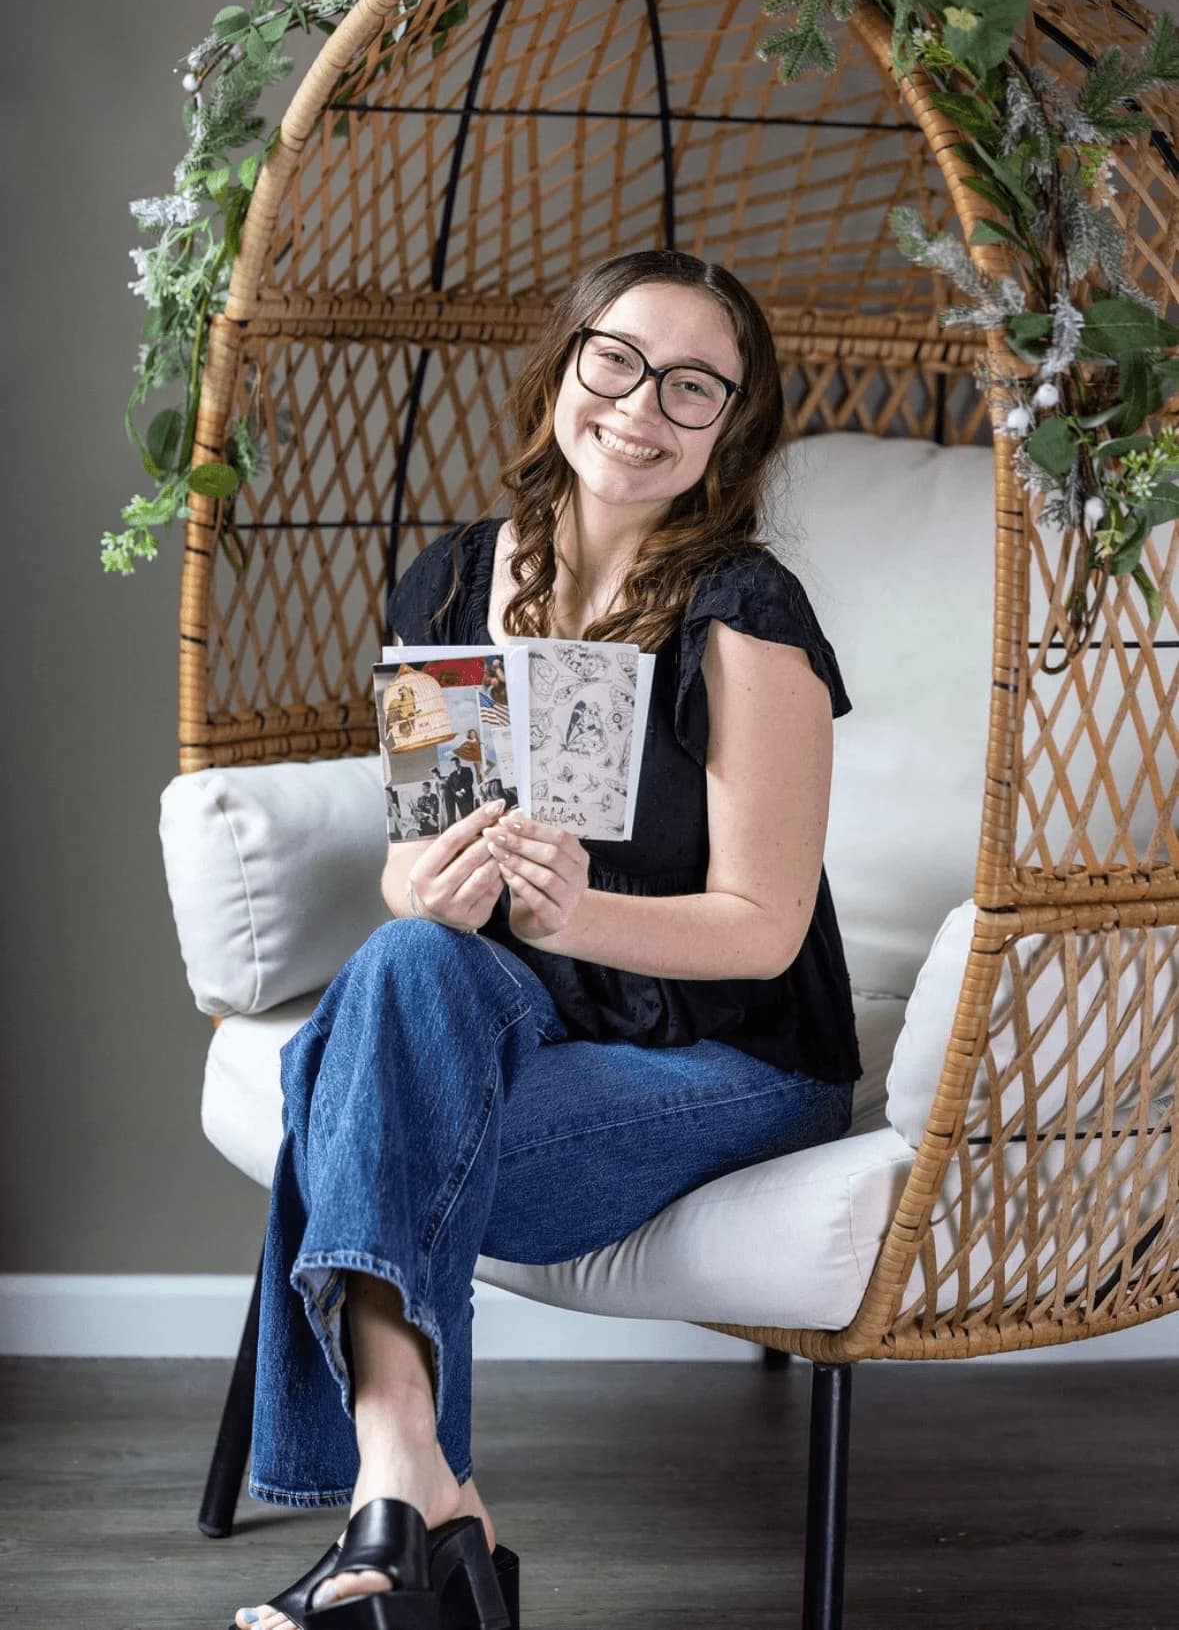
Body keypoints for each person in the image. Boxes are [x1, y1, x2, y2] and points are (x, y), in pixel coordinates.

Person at [234, 249, 862, 1630]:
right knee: (404, 963)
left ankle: (401, 1514)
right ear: (564, 366)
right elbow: (412, 860)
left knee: (344, 1104)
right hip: (522, 1018)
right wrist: (438, 885)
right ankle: (412, 1485)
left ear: (730, 429)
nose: (643, 407)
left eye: (695, 386)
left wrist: (580, 911)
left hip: (727, 1056)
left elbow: (765, 930)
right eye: (619, 361)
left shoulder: (748, 616)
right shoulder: (454, 586)